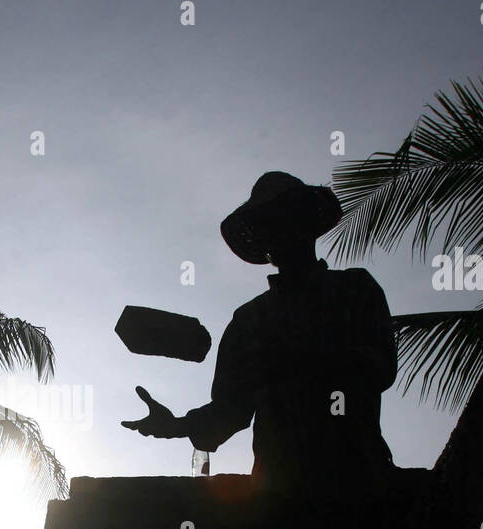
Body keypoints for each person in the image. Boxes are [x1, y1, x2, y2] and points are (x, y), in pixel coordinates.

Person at [123, 171, 398, 502]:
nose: (276, 233)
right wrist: (176, 426)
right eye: (266, 225)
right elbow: (230, 410)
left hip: (358, 482)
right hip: (280, 490)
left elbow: (380, 367)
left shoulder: (354, 289)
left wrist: (301, 363)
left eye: (283, 219)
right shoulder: (248, 320)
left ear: (305, 224)